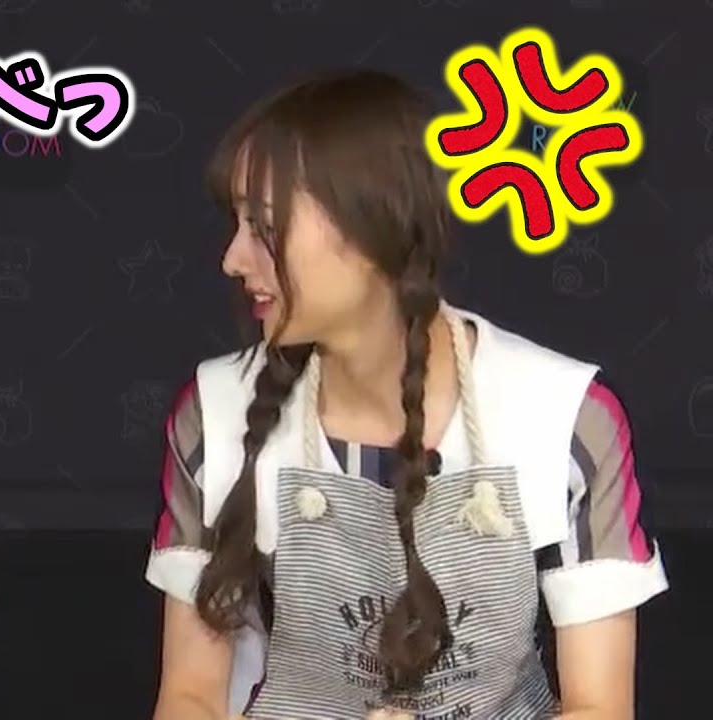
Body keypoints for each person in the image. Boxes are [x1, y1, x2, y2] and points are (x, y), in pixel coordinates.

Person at [146, 70, 668, 719]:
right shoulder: (213, 412)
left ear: (373, 228)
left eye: (265, 227)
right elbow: (190, 697)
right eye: (236, 224)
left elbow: (601, 708)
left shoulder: (568, 415)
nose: (232, 259)